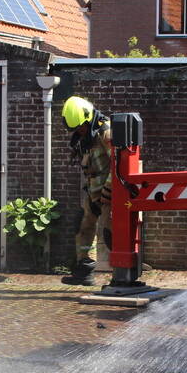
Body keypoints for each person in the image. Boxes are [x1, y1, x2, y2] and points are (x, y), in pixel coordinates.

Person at [60, 96, 113, 286]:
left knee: (111, 234)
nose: (78, 132)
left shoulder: (106, 132)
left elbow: (120, 164)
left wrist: (108, 190)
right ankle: (85, 271)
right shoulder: (84, 136)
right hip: (93, 191)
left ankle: (121, 277)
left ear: (87, 118)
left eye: (80, 127)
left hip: (110, 193)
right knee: (83, 226)